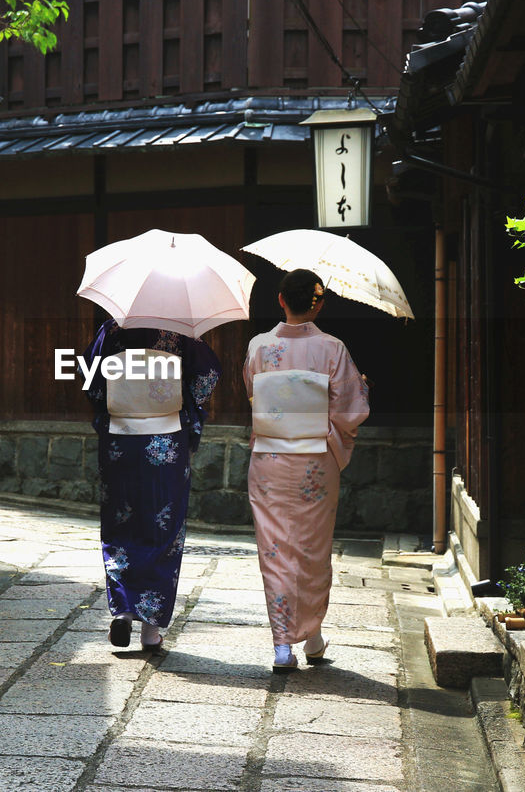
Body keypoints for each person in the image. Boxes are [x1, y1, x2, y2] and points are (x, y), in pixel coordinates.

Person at [243, 269, 370, 670]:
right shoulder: (332, 349)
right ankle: (310, 636)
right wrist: (362, 386)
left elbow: (252, 393)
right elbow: (351, 410)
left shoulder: (259, 347)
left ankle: (290, 644)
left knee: (276, 547)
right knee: (312, 548)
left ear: (280, 299)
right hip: (315, 460)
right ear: (319, 303)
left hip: (269, 458)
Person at [84, 318, 221, 650]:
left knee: (121, 525)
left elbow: (91, 379)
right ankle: (150, 631)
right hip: (165, 440)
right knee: (163, 530)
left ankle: (123, 611)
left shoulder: (113, 328)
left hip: (120, 439)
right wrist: (182, 402)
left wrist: (117, 403)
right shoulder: (180, 330)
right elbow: (206, 379)